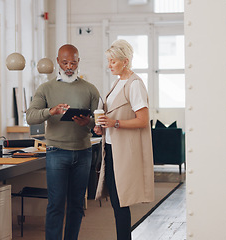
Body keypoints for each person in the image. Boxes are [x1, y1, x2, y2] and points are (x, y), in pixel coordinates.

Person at [26, 44, 100, 240]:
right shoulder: (46, 88)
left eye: (73, 62)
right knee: (56, 204)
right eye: (65, 62)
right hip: (56, 152)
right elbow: (31, 116)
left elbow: (99, 123)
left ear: (78, 62)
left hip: (83, 152)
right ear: (58, 61)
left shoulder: (90, 89)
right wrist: (51, 111)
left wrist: (89, 122)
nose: (69, 66)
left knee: (77, 205)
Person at [94, 39, 155, 240]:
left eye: (113, 61)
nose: (109, 65)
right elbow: (113, 116)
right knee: (116, 201)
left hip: (125, 153)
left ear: (125, 61)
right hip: (111, 149)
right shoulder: (117, 82)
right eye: (109, 61)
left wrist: (115, 123)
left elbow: (143, 120)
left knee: (121, 201)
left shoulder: (134, 84)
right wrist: (102, 126)